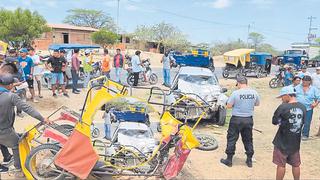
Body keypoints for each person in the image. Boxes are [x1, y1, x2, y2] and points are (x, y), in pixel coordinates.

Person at [0, 74, 49, 175]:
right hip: (3, 129)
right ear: (10, 85)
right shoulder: (11, 96)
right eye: (13, 84)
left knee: (8, 138)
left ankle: (6, 158)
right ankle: (18, 169)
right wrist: (42, 119)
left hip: (4, 128)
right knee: (16, 144)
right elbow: (27, 108)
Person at [220, 76, 260, 168]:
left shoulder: (235, 93)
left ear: (238, 83)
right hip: (248, 119)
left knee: (232, 138)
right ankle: (249, 160)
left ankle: (229, 160)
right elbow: (257, 104)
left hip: (236, 119)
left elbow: (229, 106)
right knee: (248, 139)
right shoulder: (254, 93)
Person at [272, 86, 306, 180]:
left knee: (281, 165)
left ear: (287, 95)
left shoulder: (283, 107)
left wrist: (281, 121)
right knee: (296, 164)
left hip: (282, 141)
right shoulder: (302, 107)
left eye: (282, 97)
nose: (282, 99)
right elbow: (303, 121)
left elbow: (274, 121)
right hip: (295, 141)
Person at [295, 75, 319, 140]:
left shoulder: (314, 89)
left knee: (307, 122)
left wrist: (315, 103)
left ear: (309, 82)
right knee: (297, 122)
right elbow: (292, 96)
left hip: (308, 108)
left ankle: (305, 135)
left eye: (306, 81)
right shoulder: (297, 87)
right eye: (303, 80)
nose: (304, 82)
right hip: (298, 108)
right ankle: (296, 134)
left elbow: (318, 97)